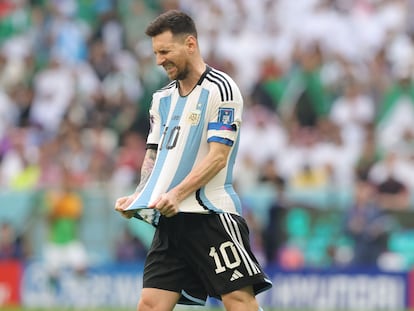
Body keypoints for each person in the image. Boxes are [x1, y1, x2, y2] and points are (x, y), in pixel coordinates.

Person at [115, 10, 271, 311]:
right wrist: (139, 196)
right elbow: (154, 155)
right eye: (156, 53)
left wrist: (177, 194)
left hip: (210, 214)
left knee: (238, 299)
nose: (159, 60)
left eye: (165, 51)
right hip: (171, 218)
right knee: (150, 303)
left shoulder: (221, 89)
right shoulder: (161, 99)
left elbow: (218, 157)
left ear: (190, 44)